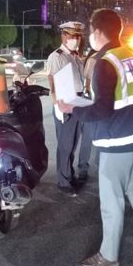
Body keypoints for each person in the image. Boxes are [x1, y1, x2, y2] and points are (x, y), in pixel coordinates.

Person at [58, 8, 133, 266]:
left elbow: (102, 109)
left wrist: (73, 109)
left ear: (96, 31)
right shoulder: (129, 56)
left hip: (116, 141)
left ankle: (108, 256)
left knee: (111, 201)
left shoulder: (105, 62)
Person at [46, 21, 85, 197]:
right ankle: (63, 181)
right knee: (65, 144)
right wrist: (58, 106)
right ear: (63, 36)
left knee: (73, 143)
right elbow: (52, 82)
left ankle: (69, 175)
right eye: (72, 35)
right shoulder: (57, 56)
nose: (76, 39)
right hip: (65, 103)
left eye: (78, 36)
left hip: (79, 101)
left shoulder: (76, 56)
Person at [76, 49, 98, 181]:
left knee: (94, 139)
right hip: (90, 104)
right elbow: (87, 79)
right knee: (86, 138)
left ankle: (100, 167)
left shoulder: (111, 57)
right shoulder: (93, 59)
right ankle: (83, 167)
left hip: (104, 106)